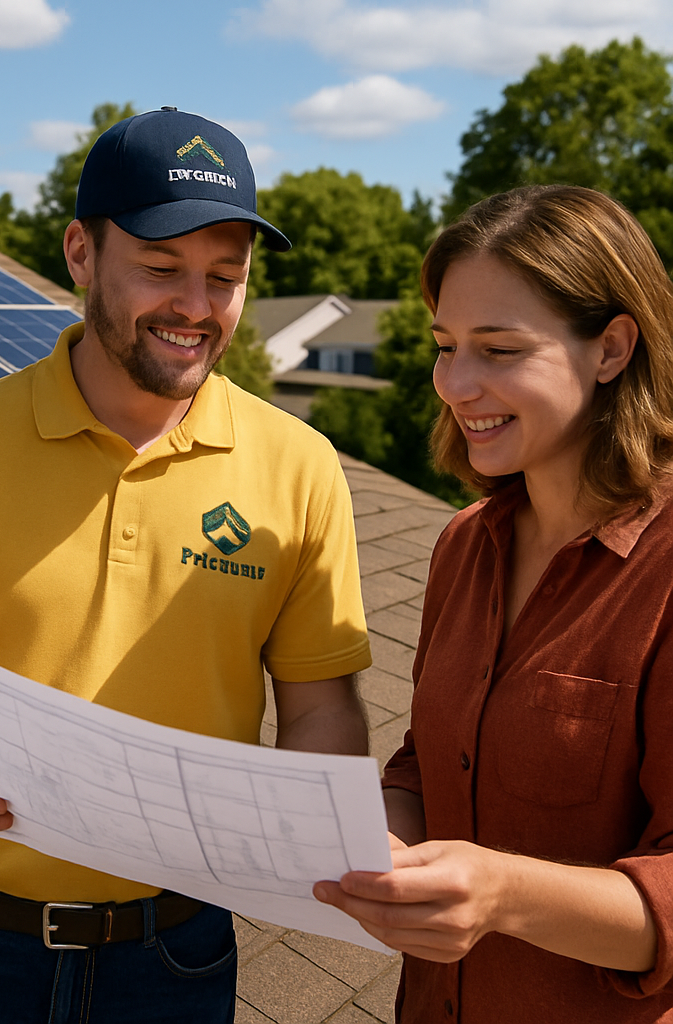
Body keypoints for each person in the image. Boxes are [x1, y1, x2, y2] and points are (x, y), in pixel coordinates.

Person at [0, 107, 372, 1024]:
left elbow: (321, 707)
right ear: (79, 252)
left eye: (224, 277)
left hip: (176, 960)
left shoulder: (301, 466)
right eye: (160, 268)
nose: (196, 305)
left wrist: (316, 829)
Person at [314, 184, 673, 1022]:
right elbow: (427, 762)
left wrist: (503, 893)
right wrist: (384, 833)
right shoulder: (464, 545)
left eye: (499, 350)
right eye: (445, 347)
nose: (456, 384)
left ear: (612, 349)